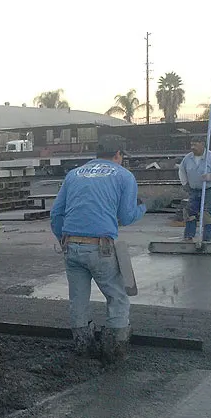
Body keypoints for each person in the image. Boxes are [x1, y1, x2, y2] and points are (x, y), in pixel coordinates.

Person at [50, 137, 146, 362]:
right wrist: (143, 207)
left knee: (78, 299)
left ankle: (83, 346)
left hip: (71, 245)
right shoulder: (124, 176)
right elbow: (126, 216)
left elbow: (56, 214)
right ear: (118, 154)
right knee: (117, 297)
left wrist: (64, 239)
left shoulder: (74, 174)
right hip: (100, 248)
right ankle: (114, 348)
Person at [178, 137, 211, 242]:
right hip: (194, 189)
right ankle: (188, 237)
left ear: (202, 144)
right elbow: (182, 170)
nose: (192, 147)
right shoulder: (188, 158)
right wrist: (185, 183)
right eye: (191, 145)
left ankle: (206, 239)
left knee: (207, 215)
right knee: (190, 213)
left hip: (210, 189)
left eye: (195, 145)